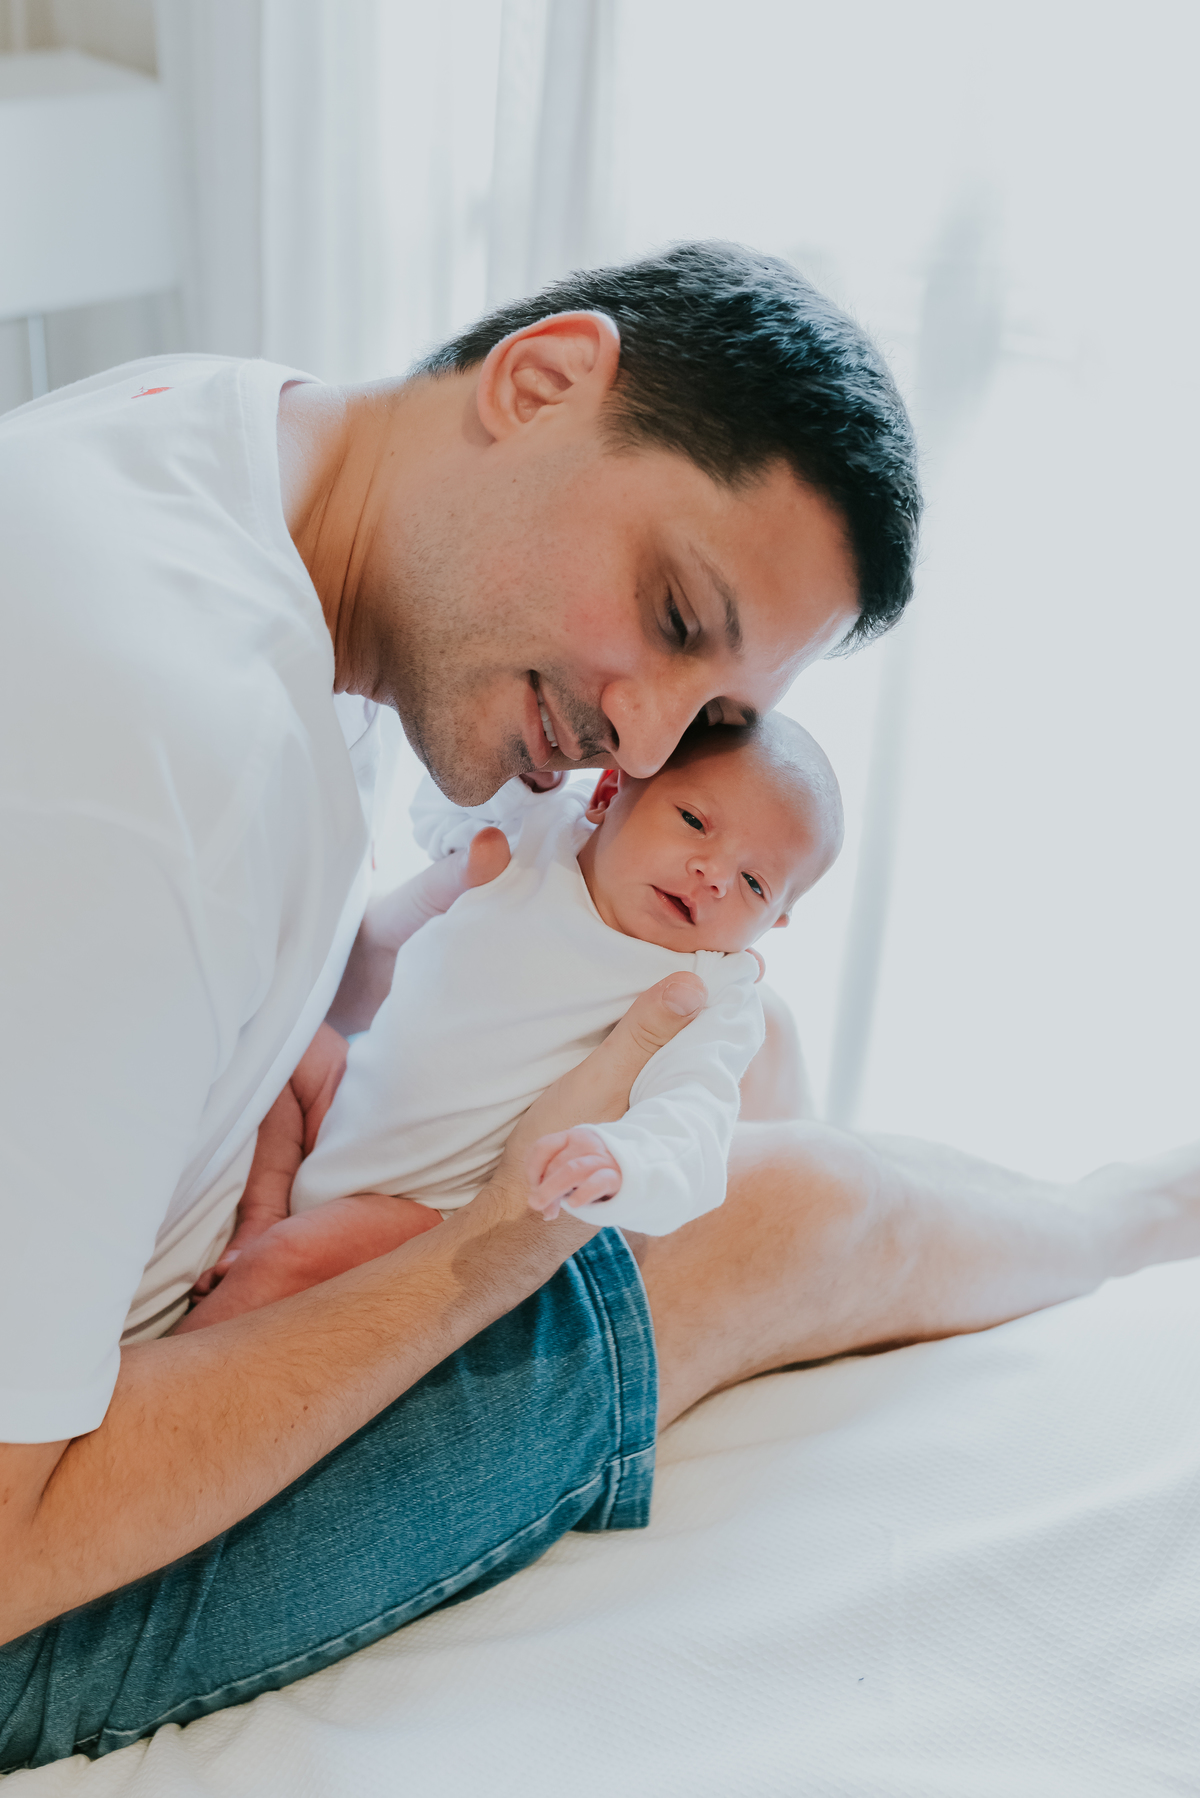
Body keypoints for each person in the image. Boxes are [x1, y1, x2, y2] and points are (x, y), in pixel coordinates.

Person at [2, 242, 1197, 1771]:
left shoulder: (227, 446)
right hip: (40, 1589)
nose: (633, 735)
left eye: (708, 715)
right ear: (542, 381)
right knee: (795, 1212)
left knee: (743, 1035)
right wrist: (479, 1260)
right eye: (671, 607)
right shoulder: (153, 747)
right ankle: (1127, 1215)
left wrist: (271, 1019)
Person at [176, 716, 844, 1334]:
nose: (714, 875)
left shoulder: (710, 991)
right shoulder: (539, 830)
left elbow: (695, 1124)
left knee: (287, 1260)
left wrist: (626, 1162)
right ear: (609, 791)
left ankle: (159, 1392)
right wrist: (526, 775)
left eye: (755, 884)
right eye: (695, 821)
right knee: (290, 1045)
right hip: (343, 1104)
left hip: (425, 1209)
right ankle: (260, 1214)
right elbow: (440, 814)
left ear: (776, 922)